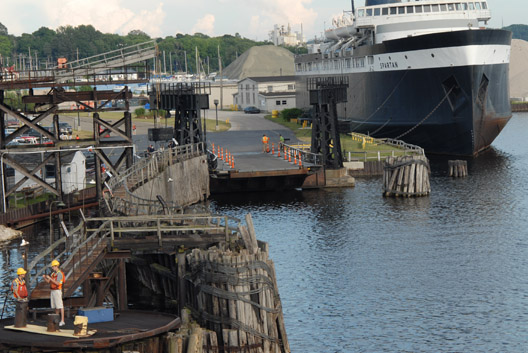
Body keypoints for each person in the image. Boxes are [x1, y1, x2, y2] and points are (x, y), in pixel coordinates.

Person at [43, 260, 65, 326]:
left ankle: (62, 320)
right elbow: (48, 282)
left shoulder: (60, 274)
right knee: (56, 306)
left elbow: (57, 283)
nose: (52, 268)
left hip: (57, 290)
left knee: (60, 305)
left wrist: (50, 278)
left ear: (56, 266)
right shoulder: (53, 274)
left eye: (53, 267)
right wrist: (45, 278)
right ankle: (57, 319)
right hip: (53, 290)